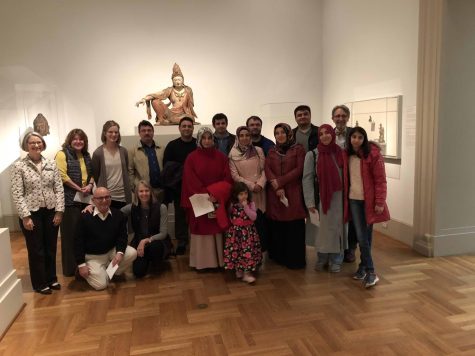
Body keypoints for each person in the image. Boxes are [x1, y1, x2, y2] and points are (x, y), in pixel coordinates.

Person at [11, 131, 64, 294]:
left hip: (50, 211)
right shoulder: (19, 166)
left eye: (38, 142)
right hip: (31, 213)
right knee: (36, 250)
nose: (36, 145)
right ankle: (40, 283)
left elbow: (59, 189)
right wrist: (25, 216)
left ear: (43, 144)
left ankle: (51, 279)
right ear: (26, 146)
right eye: (32, 143)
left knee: (51, 248)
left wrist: (59, 211)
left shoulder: (51, 164)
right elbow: (17, 192)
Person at [181, 127, 233, 270]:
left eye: (209, 138)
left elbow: (227, 177)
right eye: (204, 138)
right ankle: (203, 263)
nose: (207, 141)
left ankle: (219, 262)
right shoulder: (191, 158)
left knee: (217, 229)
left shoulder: (221, 157)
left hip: (217, 200)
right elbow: (190, 180)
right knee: (202, 229)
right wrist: (207, 194)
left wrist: (215, 194)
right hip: (200, 201)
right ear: (199, 140)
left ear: (213, 140)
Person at [344, 127, 390, 288]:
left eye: (360, 137)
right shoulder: (347, 155)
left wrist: (379, 202)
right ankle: (363, 268)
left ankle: (371, 272)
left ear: (364, 139)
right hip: (354, 200)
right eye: (353, 137)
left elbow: (380, 180)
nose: (356, 140)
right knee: (364, 237)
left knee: (363, 238)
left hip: (368, 202)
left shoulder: (373, 155)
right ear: (349, 138)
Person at [302, 124, 347, 273]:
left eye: (327, 133)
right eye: (321, 134)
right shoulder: (312, 155)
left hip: (338, 199)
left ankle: (336, 259)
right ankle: (322, 258)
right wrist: (309, 202)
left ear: (332, 135)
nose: (324, 136)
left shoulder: (341, 153)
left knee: (337, 230)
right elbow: (307, 179)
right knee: (320, 230)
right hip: (321, 199)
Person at [75, 187, 137, 290]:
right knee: (101, 285)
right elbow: (78, 242)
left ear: (110, 199)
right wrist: (81, 264)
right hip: (93, 257)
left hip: (110, 252)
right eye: (100, 198)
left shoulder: (118, 215)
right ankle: (85, 271)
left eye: (107, 197)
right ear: (93, 200)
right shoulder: (84, 217)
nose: (104, 200)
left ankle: (108, 272)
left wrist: (119, 253)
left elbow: (122, 237)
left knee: (132, 253)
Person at [265, 123, 307, 269]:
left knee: (293, 227)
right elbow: (267, 168)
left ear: (289, 134)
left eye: (283, 132)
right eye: (277, 133)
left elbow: (299, 169)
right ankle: (279, 257)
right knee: (278, 227)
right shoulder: (271, 151)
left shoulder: (298, 149)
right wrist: (275, 185)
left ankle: (294, 260)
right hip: (275, 193)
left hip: (293, 192)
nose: (280, 135)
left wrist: (280, 182)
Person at [55, 129, 94, 277]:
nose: (78, 142)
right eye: (75, 139)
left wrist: (89, 185)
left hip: (85, 200)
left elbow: (92, 173)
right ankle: (71, 270)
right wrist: (79, 188)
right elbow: (61, 175)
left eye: (81, 139)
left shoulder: (86, 155)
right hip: (69, 201)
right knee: (70, 235)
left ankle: (83, 266)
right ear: (70, 141)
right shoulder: (62, 154)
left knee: (84, 234)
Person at [228, 126, 268, 258]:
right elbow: (235, 176)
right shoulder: (232, 154)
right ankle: (247, 257)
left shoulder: (258, 151)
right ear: (237, 138)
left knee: (261, 224)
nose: (245, 138)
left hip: (260, 191)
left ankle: (258, 256)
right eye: (242, 135)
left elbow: (264, 170)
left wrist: (260, 184)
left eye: (247, 135)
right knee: (248, 227)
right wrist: (251, 186)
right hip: (245, 193)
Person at [121, 181, 172, 278]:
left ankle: (155, 261)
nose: (144, 194)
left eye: (146, 190)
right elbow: (115, 213)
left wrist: (145, 241)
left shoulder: (161, 207)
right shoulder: (132, 207)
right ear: (137, 193)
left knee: (154, 248)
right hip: (139, 240)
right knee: (138, 273)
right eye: (141, 191)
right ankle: (146, 259)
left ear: (151, 192)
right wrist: (93, 207)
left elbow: (163, 233)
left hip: (156, 241)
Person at [162, 117, 197, 255]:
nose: (187, 128)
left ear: (193, 128)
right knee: (180, 216)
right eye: (184, 126)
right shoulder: (172, 145)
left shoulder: (198, 144)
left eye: (189, 126)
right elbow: (167, 167)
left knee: (197, 215)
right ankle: (182, 241)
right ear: (179, 128)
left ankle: (196, 240)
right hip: (179, 188)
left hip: (196, 187)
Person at [331, 104, 358, 263]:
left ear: (348, 117)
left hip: (352, 180)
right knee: (336, 216)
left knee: (352, 217)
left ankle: (351, 248)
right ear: (332, 118)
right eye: (337, 116)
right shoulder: (327, 134)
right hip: (334, 181)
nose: (340, 118)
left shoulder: (354, 134)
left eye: (343, 116)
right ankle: (336, 246)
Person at [223, 182, 262, 284]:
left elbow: (254, 217)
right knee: (237, 252)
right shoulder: (233, 205)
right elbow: (229, 216)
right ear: (235, 195)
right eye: (241, 194)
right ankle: (239, 270)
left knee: (247, 252)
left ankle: (247, 273)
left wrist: (246, 207)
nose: (244, 196)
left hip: (248, 234)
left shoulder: (251, 204)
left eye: (245, 193)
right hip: (236, 234)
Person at [92, 120, 132, 209]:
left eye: (116, 132)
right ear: (105, 133)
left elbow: (126, 172)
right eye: (110, 132)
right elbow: (96, 175)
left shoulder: (123, 151)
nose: (113, 134)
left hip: (124, 196)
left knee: (125, 221)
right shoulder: (98, 153)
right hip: (106, 198)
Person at [128, 120, 164, 203]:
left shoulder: (162, 149)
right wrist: (135, 188)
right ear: (139, 133)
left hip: (161, 192)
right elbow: (130, 171)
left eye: (149, 130)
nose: (146, 133)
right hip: (143, 193)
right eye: (143, 131)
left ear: (153, 132)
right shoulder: (132, 151)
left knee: (161, 213)